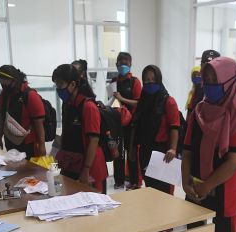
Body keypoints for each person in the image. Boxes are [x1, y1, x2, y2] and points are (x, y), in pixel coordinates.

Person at [182, 56, 236, 232]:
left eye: (215, 81)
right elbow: (187, 151)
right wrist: (186, 182)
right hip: (196, 189)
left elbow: (234, 162)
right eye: (207, 81)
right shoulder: (199, 112)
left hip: (223, 194)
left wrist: (207, 186)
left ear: (230, 81)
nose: (209, 86)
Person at [52, 64, 108, 193]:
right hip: (72, 164)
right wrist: (55, 159)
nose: (58, 89)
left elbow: (93, 140)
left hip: (90, 167)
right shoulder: (67, 105)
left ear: (72, 84)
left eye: (60, 85)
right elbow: (66, 134)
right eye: (56, 85)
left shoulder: (88, 107)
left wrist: (86, 169)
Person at [128, 65, 180, 193]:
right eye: (146, 80)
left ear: (159, 80)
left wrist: (173, 148)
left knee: (165, 191)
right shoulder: (143, 101)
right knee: (150, 188)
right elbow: (136, 125)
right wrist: (132, 147)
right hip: (145, 150)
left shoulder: (168, 101)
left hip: (163, 153)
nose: (149, 82)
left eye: (153, 79)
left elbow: (174, 126)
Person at [0, 65, 47, 159]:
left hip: (28, 143)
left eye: (5, 82)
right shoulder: (4, 94)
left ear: (14, 80)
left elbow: (39, 124)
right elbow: (2, 117)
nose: (3, 85)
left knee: (30, 171)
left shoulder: (30, 95)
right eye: (0, 82)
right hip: (10, 140)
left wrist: (42, 146)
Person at [110, 52, 142, 189]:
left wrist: (122, 99)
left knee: (131, 153)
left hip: (132, 124)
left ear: (130, 64)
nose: (123, 63)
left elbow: (139, 102)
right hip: (117, 122)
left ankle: (134, 181)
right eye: (120, 60)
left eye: (126, 61)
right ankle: (119, 180)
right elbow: (110, 102)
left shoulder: (135, 81)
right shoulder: (113, 82)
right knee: (117, 152)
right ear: (116, 63)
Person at [187, 50, 221, 114]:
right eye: (205, 65)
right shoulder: (198, 87)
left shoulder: (223, 88)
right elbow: (191, 112)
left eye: (212, 66)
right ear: (201, 66)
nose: (208, 69)